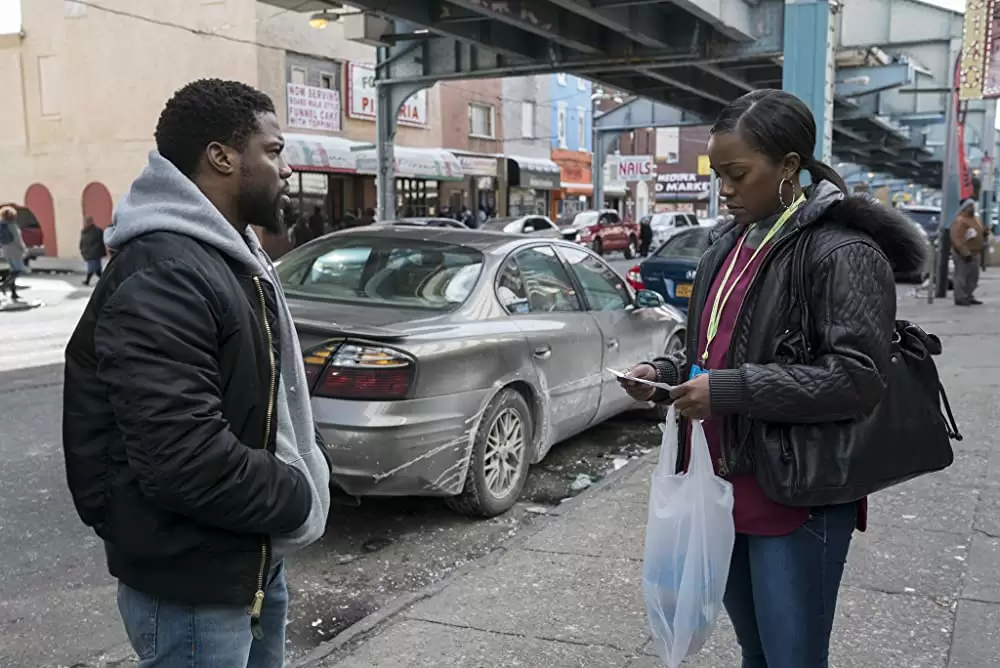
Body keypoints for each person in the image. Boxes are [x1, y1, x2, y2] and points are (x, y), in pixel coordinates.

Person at [618, 89, 926, 668]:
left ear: (788, 166)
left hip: (798, 490)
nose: (725, 189)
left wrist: (728, 392)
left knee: (793, 656)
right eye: (717, 175)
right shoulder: (727, 246)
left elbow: (857, 379)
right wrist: (662, 374)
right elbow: (712, 350)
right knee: (755, 650)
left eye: (737, 174)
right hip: (722, 482)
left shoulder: (842, 252)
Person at [62, 79, 332, 668]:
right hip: (192, 584)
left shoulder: (230, 258)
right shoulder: (167, 271)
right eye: (274, 151)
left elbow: (258, 403)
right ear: (222, 157)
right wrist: (299, 493)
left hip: (245, 560)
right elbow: (184, 459)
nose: (286, 169)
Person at [950, 199, 985, 306]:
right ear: (964, 208)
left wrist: (985, 233)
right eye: (970, 206)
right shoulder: (960, 221)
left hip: (975, 252)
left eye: (973, 206)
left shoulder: (975, 219)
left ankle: (969, 295)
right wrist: (965, 252)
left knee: (973, 277)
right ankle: (960, 297)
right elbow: (957, 238)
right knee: (962, 276)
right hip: (964, 254)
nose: (972, 208)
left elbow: (979, 231)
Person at [0, 205, 26, 302]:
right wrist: (23, 248)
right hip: (14, 249)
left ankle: (13, 292)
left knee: (12, 271)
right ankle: (3, 286)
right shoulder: (12, 225)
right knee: (19, 269)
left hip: (5, 249)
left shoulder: (1, 224)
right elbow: (17, 238)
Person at [79, 216, 107, 286]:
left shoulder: (97, 231)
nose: (85, 223)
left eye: (87, 221)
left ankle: (88, 281)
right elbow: (82, 241)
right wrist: (82, 249)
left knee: (93, 268)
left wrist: (95, 250)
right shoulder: (84, 231)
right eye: (85, 221)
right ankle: (103, 281)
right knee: (96, 269)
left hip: (94, 253)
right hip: (88, 252)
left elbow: (100, 242)